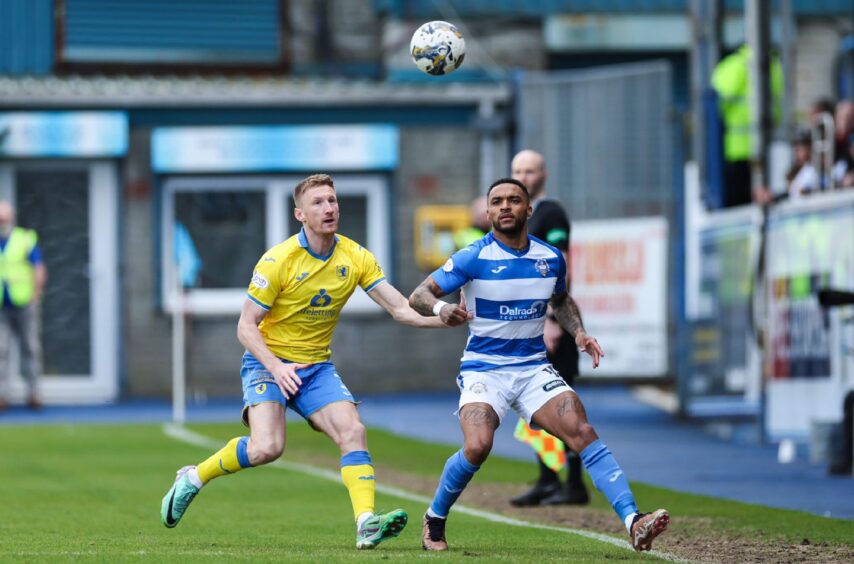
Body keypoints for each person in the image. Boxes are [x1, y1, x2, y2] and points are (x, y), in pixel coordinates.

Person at [160, 174, 469, 549]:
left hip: (316, 368)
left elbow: (401, 309)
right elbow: (245, 326)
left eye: (333, 201)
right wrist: (276, 367)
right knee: (266, 448)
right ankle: (193, 477)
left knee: (353, 431)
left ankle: (366, 523)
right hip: (268, 364)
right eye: (319, 203)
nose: (329, 208)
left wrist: (444, 316)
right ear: (300, 214)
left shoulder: (355, 257)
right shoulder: (278, 260)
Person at [409, 178, 669, 553]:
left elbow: (561, 300)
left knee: (582, 429)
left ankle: (634, 521)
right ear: (488, 212)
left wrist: (578, 332)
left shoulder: (549, 258)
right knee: (478, 446)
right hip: (484, 369)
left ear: (528, 209)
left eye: (514, 200)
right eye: (497, 201)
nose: (505, 207)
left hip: (532, 368)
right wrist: (442, 308)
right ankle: (435, 518)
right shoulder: (473, 256)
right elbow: (419, 294)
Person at [508, 149, 588, 506]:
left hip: (551, 325)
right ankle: (548, 478)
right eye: (518, 170)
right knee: (534, 405)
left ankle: (573, 483)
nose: (524, 176)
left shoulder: (550, 213)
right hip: (530, 326)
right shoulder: (522, 217)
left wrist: (554, 322)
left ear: (544, 175)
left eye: (530, 170)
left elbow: (558, 268)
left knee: (562, 403)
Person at [711, 44, 783, 207]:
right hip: (768, 146)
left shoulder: (735, 64)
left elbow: (714, 103)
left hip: (736, 149)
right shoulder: (775, 65)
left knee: (737, 204)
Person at [0, 201, 47, 411]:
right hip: (2, 304)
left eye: (5, 218)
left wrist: (36, 294)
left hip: (24, 302)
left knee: (30, 347)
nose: (2, 222)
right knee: (1, 350)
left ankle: (34, 393)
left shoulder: (25, 239)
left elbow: (38, 267)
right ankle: (2, 396)